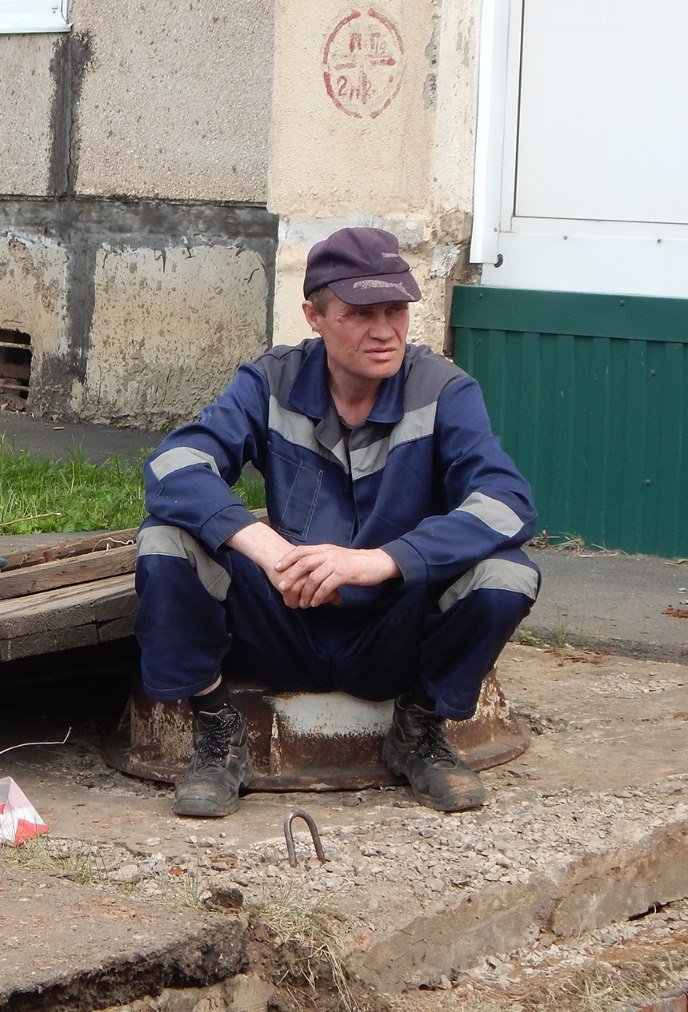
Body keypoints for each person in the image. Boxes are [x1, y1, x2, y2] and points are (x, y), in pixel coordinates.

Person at [134, 226, 539, 818]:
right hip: (281, 616)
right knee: (165, 540)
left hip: (392, 630)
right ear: (314, 315)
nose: (384, 330)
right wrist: (265, 548)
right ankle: (218, 737)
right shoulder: (270, 381)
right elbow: (173, 465)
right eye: (359, 313)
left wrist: (383, 560)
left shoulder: (443, 390)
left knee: (506, 573)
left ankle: (420, 731)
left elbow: (506, 501)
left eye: (396, 309)